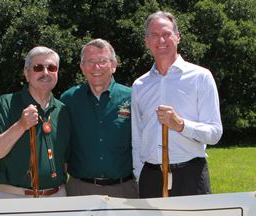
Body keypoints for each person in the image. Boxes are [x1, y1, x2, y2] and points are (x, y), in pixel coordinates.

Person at [132, 11, 223, 198]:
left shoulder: (200, 77)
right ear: (146, 42)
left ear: (178, 37)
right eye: (154, 35)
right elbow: (137, 138)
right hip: (151, 178)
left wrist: (181, 125)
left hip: (190, 176)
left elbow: (214, 133)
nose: (161, 40)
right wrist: (139, 174)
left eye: (166, 34)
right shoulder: (140, 85)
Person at [0, 46, 70, 198]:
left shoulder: (62, 110)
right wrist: (21, 125)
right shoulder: (6, 104)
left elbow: (66, 160)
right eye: (38, 67)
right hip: (14, 198)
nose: (46, 73)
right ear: (26, 73)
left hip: (57, 196)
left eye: (52, 67)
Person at [60, 39, 138, 198]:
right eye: (90, 61)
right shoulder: (68, 99)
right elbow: (61, 145)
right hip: (79, 190)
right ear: (82, 67)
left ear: (114, 66)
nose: (96, 67)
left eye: (103, 61)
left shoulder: (132, 97)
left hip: (124, 190)